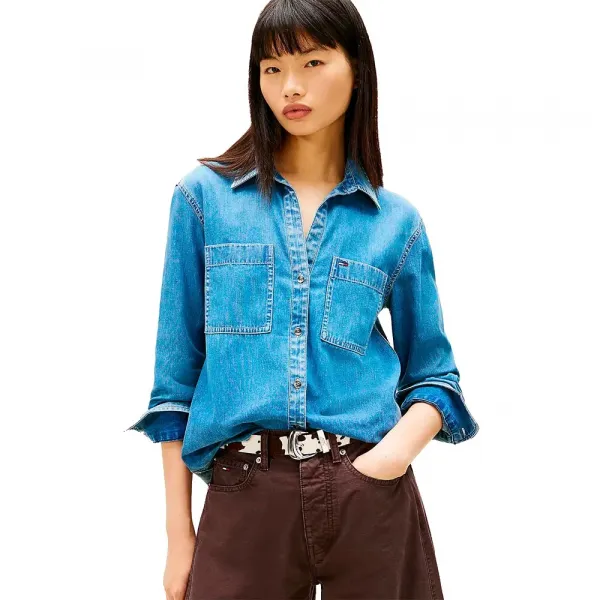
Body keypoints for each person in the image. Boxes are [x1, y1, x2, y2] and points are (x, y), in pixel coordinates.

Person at [125, 0, 479, 598]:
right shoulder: (203, 200)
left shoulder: (395, 224)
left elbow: (435, 378)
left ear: (357, 69)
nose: (290, 86)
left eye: (312, 62)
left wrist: (386, 462)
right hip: (245, 494)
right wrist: (178, 536)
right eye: (272, 68)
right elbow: (174, 384)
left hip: (369, 494)